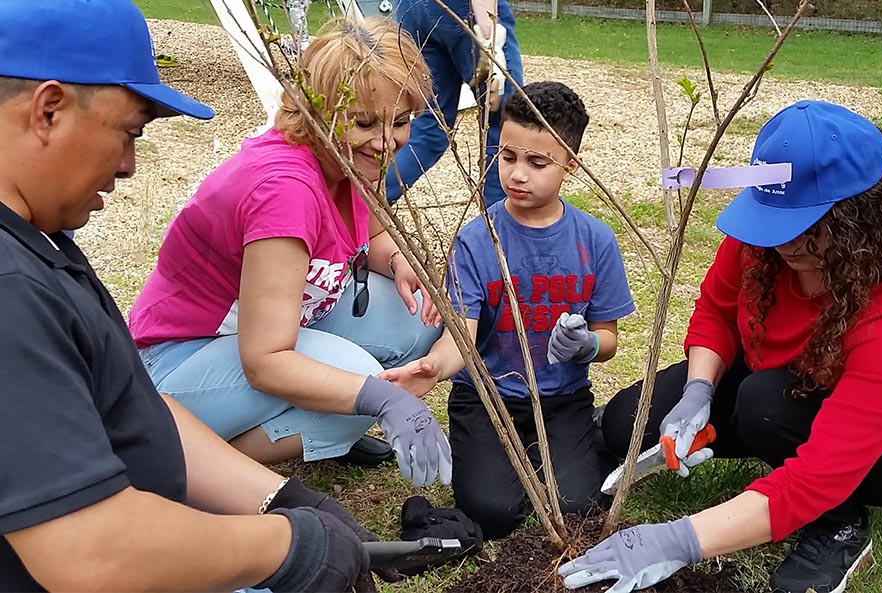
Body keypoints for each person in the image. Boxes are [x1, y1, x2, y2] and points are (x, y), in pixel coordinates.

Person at [0, 1, 371, 590]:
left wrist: (283, 502)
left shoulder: (41, 242)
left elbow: (136, 405)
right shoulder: (11, 290)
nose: (128, 165)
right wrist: (290, 546)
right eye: (128, 133)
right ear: (48, 110)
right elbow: (92, 556)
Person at [561, 101, 882, 593]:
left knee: (765, 406)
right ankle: (738, 420)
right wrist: (697, 393)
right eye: (775, 218)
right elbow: (716, 313)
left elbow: (819, 474)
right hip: (778, 382)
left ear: (862, 218)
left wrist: (680, 540)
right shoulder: (764, 241)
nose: (785, 242)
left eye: (806, 225)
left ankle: (839, 526)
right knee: (625, 425)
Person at [127, 17, 451, 485]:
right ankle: (197, 467)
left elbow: (375, 235)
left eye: (400, 121)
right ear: (317, 111)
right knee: (365, 381)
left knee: (416, 316)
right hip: (178, 359)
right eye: (363, 122)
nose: (386, 142)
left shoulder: (353, 159)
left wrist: (399, 259)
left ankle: (321, 428)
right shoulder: (285, 189)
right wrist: (379, 400)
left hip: (270, 327)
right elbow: (265, 361)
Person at [382, 81, 635, 539]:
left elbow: (609, 339)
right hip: (486, 399)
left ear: (570, 166)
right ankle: (520, 455)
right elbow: (462, 330)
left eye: (537, 163)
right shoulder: (478, 239)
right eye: (507, 156)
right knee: (492, 513)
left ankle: (576, 441)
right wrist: (434, 367)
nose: (518, 174)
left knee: (577, 508)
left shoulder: (596, 241)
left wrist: (589, 345)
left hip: (561, 400)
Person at [388, 0, 524, 206]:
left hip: (411, 8)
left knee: (431, 128)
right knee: (506, 125)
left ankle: (360, 206)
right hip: (466, 9)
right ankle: (501, 230)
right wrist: (491, 40)